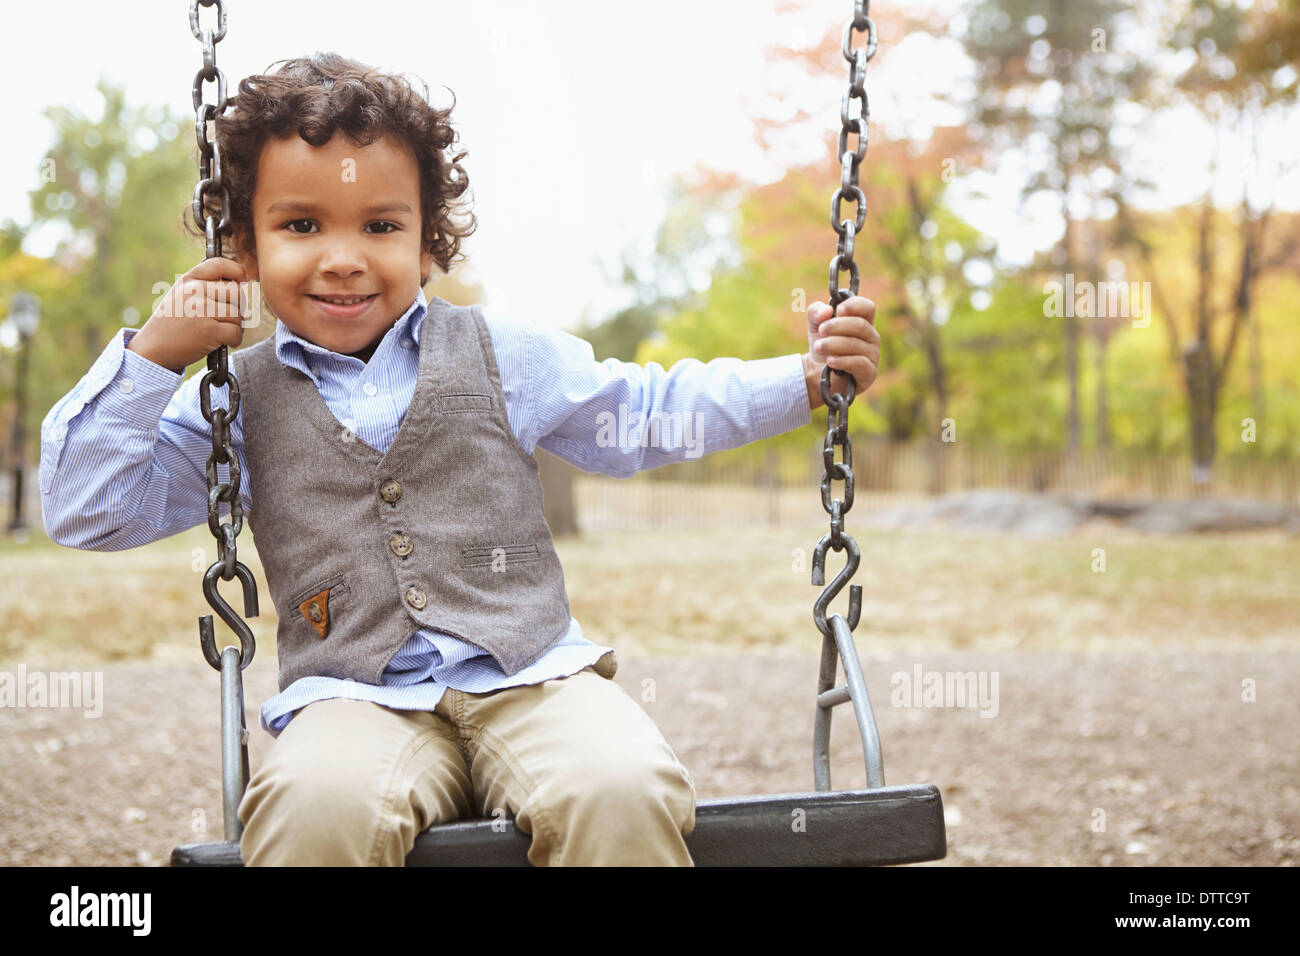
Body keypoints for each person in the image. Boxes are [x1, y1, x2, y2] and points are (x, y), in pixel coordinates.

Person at [39, 52, 881, 866]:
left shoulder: (499, 353)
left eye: (381, 225)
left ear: (428, 243)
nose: (343, 257)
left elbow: (647, 410)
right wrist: (154, 356)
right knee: (313, 811)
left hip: (536, 680)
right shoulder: (235, 399)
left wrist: (803, 381)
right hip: (352, 701)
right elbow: (88, 509)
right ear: (244, 251)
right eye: (301, 225)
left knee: (622, 787)